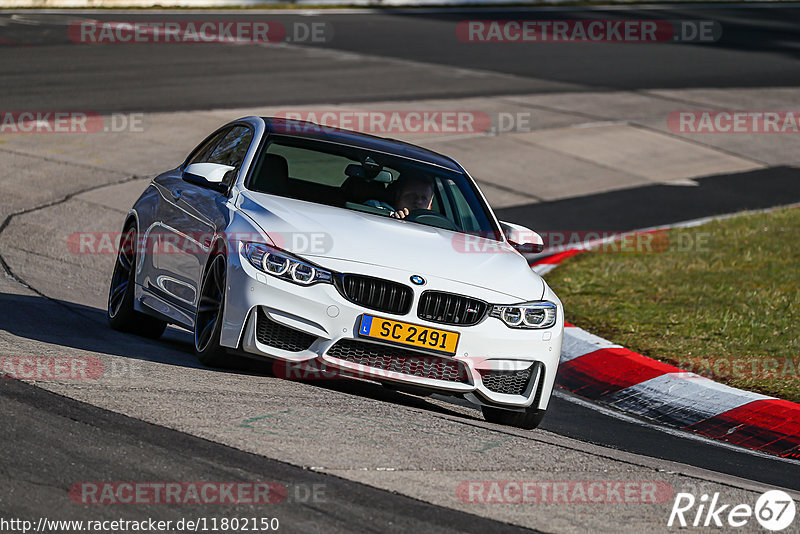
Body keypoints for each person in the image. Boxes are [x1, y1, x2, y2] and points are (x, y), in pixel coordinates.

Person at [365, 174, 434, 219]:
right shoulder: (376, 207)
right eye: (412, 195)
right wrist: (391, 219)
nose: (418, 201)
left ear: (430, 204)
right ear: (398, 195)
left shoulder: (436, 225)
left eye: (424, 198)